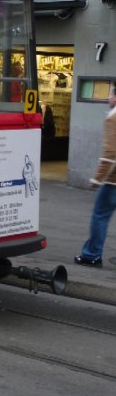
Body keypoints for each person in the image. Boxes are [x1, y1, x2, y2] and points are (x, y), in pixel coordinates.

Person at [75, 82, 116, 267]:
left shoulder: (112, 118)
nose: (108, 98)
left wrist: (97, 179)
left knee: (100, 215)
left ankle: (91, 255)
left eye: (110, 93)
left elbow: (111, 153)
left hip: (113, 182)